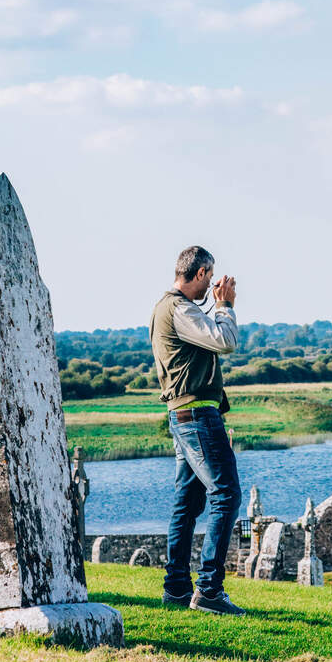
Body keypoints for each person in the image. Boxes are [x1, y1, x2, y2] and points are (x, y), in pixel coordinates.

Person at [149, 245, 244, 616]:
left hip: (185, 415)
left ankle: (175, 588)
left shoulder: (163, 307)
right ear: (201, 273)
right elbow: (225, 341)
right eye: (210, 276)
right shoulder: (179, 308)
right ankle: (208, 590)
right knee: (226, 494)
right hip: (197, 415)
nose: (212, 286)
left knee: (187, 503)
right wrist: (225, 306)